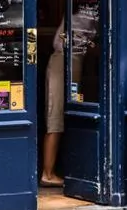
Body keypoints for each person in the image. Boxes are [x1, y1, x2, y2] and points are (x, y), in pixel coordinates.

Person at [40, 11, 96, 188]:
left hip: (73, 63)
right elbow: (60, 42)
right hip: (65, 63)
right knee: (55, 117)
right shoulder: (83, 14)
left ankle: (53, 171)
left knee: (65, 115)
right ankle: (47, 174)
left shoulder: (81, 13)